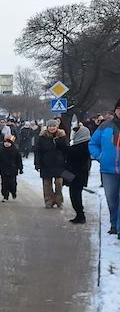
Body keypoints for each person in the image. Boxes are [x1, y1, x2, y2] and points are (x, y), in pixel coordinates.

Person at [89, 98, 120, 235]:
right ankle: (114, 223)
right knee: (112, 200)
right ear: (116, 110)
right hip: (108, 170)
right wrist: (99, 156)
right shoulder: (105, 126)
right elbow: (93, 143)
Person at [34, 120, 68, 209]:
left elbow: (66, 150)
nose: (52, 128)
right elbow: (38, 152)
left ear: (57, 127)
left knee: (59, 183)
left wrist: (66, 161)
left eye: (54, 126)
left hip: (59, 164)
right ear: (47, 127)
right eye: (50, 126)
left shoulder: (62, 137)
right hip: (46, 164)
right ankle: (48, 201)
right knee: (47, 185)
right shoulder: (42, 137)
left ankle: (59, 200)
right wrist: (37, 163)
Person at [64, 124, 92, 223]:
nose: (74, 134)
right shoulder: (79, 144)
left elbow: (73, 155)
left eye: (76, 132)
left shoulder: (84, 146)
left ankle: (80, 215)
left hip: (77, 175)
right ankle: (79, 215)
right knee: (74, 195)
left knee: (75, 196)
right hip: (73, 173)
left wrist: (63, 147)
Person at [0, 135, 23, 202]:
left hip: (13, 169)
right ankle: (5, 196)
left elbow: (19, 160)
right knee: (4, 183)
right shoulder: (1, 151)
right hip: (3, 169)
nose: (6, 144)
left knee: (12, 183)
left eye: (8, 142)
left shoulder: (15, 151)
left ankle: (13, 192)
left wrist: (20, 168)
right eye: (5, 142)